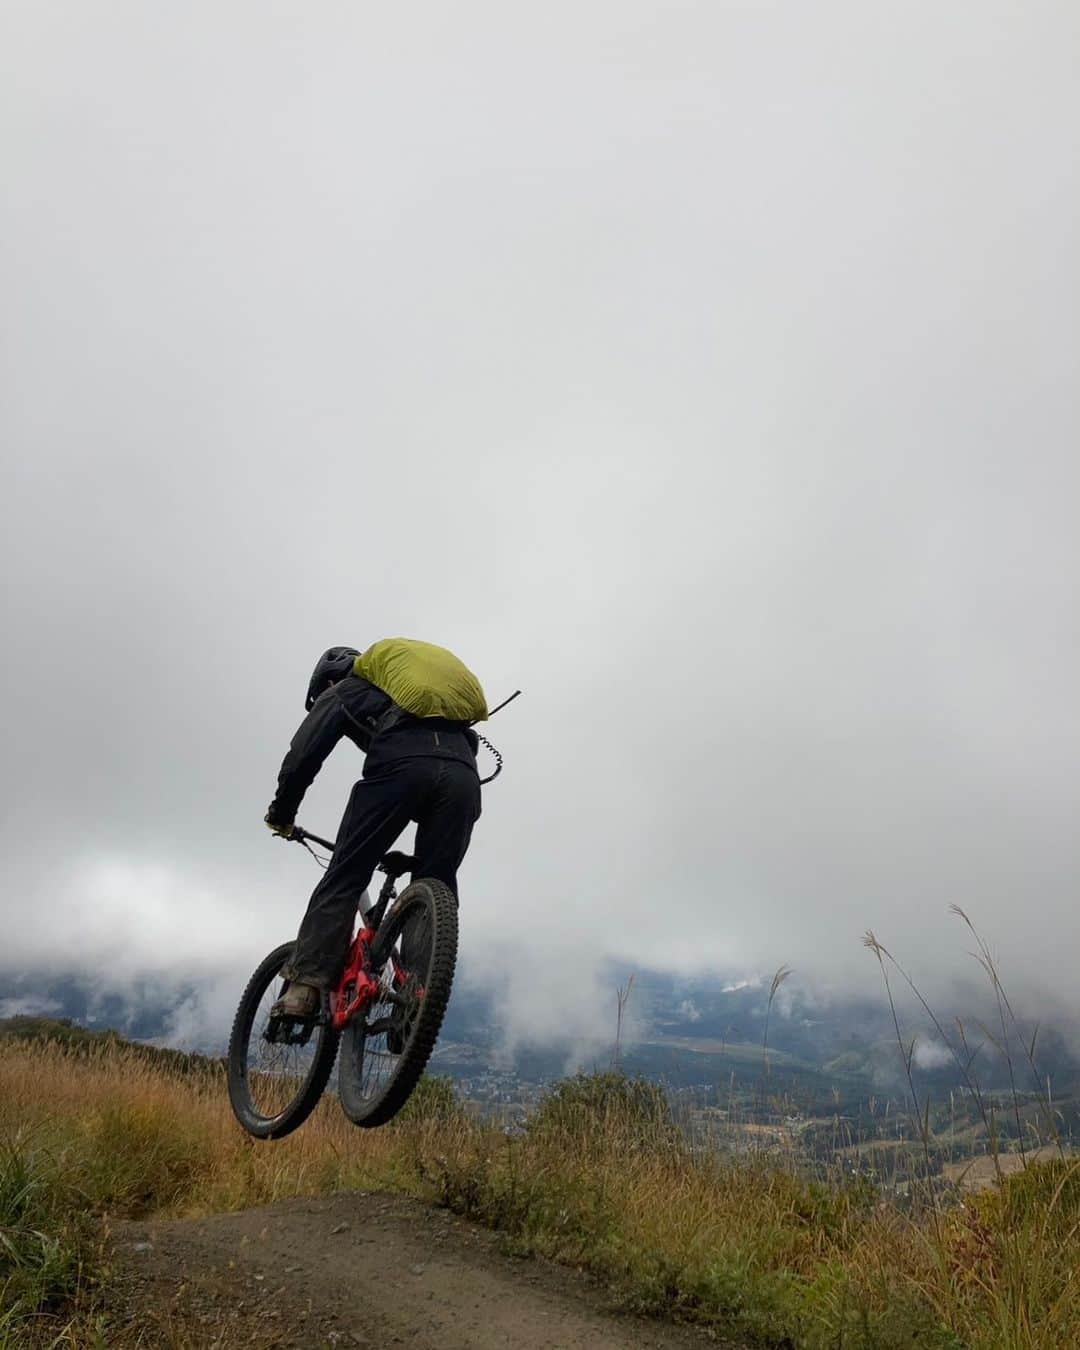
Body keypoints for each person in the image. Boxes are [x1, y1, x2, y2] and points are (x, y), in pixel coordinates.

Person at [264, 644, 483, 1017]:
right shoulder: (417, 698)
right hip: (464, 778)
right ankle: (414, 1009)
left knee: (347, 872)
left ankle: (304, 987)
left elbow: (304, 754)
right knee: (436, 879)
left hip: (401, 770)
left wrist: (282, 812)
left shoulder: (347, 690)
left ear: (331, 680)